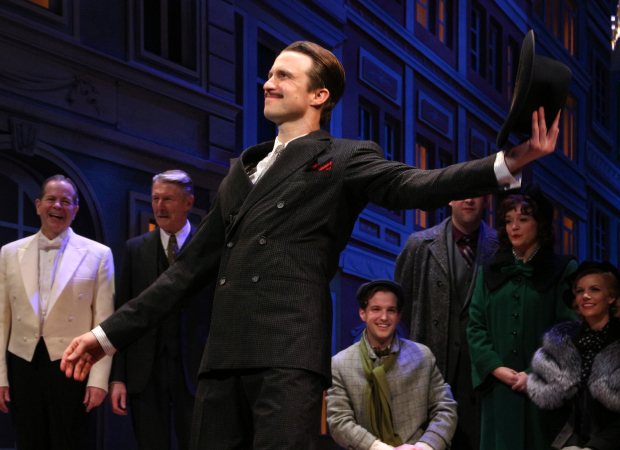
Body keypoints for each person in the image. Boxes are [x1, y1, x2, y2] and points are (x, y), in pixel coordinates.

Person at [61, 41, 561, 449]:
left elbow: (417, 184)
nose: (268, 83)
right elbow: (186, 271)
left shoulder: (344, 158)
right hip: (222, 356)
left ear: (319, 96)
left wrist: (506, 163)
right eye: (269, 75)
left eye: (283, 76)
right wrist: (106, 335)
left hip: (287, 354)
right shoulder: (245, 167)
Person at [0, 175, 114, 449]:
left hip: (73, 366)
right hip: (22, 365)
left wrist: (98, 380)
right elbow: (1, 319)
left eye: (66, 201)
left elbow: (105, 322)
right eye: (51, 199)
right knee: (28, 441)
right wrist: (0, 377)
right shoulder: (9, 252)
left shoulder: (99, 254)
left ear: (75, 210)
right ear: (39, 205)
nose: (58, 206)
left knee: (70, 442)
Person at [467, 188, 577, 450]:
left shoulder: (563, 268)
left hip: (542, 391)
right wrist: (495, 367)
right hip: (499, 390)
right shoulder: (490, 268)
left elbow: (569, 329)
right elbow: (475, 324)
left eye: (523, 219)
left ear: (540, 224)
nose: (514, 227)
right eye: (508, 220)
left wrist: (534, 375)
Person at [109, 170, 211, 450]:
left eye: (168, 199)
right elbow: (123, 315)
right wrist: (118, 378)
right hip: (145, 374)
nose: (159, 206)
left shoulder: (208, 248)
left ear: (188, 203)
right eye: (155, 198)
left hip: (194, 375)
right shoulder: (134, 249)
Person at [394, 196, 497, 450]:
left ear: (487, 200)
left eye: (478, 192)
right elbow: (403, 302)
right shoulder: (419, 245)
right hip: (433, 368)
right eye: (463, 191)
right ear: (450, 199)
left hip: (483, 375)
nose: (470, 199)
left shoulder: (502, 247)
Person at [326, 279, 457, 450]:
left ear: (399, 316)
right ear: (362, 314)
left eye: (391, 310)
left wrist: (425, 446)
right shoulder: (341, 363)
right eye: (376, 309)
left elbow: (445, 408)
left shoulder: (422, 356)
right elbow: (339, 421)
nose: (384, 317)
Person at [528, 261, 620, 450]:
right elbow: (548, 410)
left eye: (594, 289)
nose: (585, 296)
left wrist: (596, 447)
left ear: (610, 297)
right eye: (579, 291)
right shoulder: (561, 343)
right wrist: (569, 445)